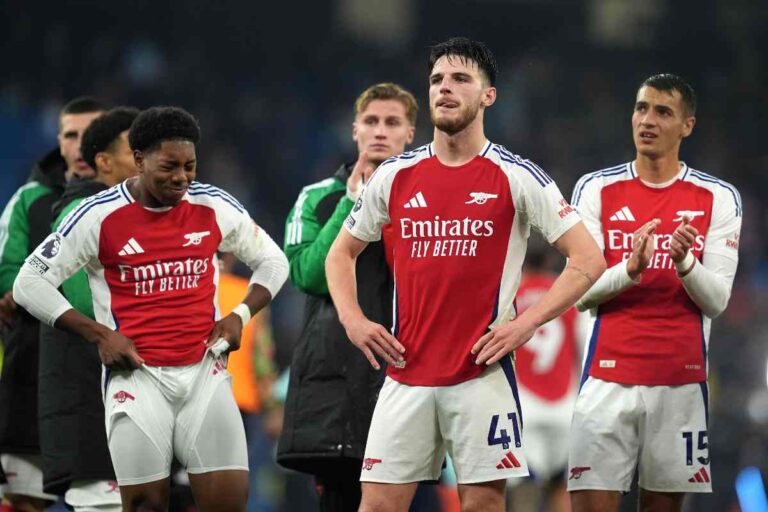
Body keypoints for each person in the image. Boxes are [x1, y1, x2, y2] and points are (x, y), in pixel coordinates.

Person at [325, 37, 606, 512]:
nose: (445, 89)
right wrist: (353, 320)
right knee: (375, 506)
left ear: (488, 95)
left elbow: (588, 259)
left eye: (460, 79)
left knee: (481, 505)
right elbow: (340, 255)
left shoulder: (518, 176)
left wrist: (525, 323)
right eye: (437, 80)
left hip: (481, 376)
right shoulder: (395, 175)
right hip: (405, 374)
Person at [12, 106, 289, 512]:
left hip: (204, 376)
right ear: (139, 160)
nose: (181, 177)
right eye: (169, 167)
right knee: (145, 507)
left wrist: (239, 315)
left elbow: (275, 262)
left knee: (229, 504)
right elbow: (28, 282)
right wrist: (100, 334)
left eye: (190, 166)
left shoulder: (214, 206)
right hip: (137, 381)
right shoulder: (96, 216)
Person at [567, 74, 742, 512]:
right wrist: (629, 269)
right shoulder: (596, 188)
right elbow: (582, 294)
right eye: (641, 108)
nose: (647, 120)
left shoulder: (718, 197)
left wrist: (684, 263)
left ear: (687, 125)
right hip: (606, 380)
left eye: (663, 111)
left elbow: (716, 301)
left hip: (680, 386)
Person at [277, 82, 417, 512]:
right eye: (371, 121)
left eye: (392, 122)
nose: (380, 131)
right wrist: (353, 203)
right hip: (333, 376)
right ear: (354, 130)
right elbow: (308, 275)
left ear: (411, 133)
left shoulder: (426, 200)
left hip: (406, 372)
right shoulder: (318, 197)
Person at [0, 96, 106, 511]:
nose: (80, 146)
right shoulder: (30, 200)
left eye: (91, 135)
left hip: (102, 376)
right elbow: (8, 267)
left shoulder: (128, 202)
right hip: (35, 370)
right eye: (70, 135)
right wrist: (22, 291)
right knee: (25, 499)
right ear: (58, 142)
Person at [37, 106, 141, 511]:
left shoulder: (129, 213)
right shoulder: (81, 212)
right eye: (136, 149)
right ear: (106, 162)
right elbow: (82, 299)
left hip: (117, 404)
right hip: (90, 405)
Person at [506, 245, 582, 512]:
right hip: (566, 409)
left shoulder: (510, 299)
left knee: (525, 489)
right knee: (562, 489)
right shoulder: (567, 300)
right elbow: (582, 352)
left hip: (524, 411)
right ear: (550, 260)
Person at [217, 252, 280, 512]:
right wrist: (274, 406)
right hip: (241, 402)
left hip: (196, 401)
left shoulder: (185, 293)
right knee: (244, 483)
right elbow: (262, 356)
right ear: (231, 257)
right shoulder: (248, 294)